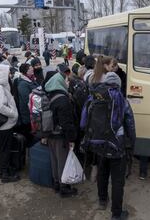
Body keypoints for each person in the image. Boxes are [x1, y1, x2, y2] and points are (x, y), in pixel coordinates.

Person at [81, 72, 136, 220]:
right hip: (117, 145)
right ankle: (116, 214)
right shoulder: (121, 100)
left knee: (102, 173)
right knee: (118, 181)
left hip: (99, 144)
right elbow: (130, 124)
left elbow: (83, 123)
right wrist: (131, 143)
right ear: (118, 84)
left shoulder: (94, 97)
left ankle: (102, 200)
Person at [43, 64, 78, 197]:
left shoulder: (50, 95)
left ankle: (57, 183)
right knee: (62, 161)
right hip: (60, 135)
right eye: (66, 80)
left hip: (50, 133)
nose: (68, 82)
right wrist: (72, 139)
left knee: (55, 160)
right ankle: (64, 188)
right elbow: (67, 123)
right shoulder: (63, 100)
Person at [0, 64, 20, 183]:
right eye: (7, 72)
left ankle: (2, 171)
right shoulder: (0, 88)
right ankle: (5, 174)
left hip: (1, 124)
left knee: (2, 147)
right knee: (5, 148)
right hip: (5, 124)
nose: (9, 74)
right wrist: (13, 113)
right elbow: (0, 106)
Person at [16, 63, 38, 147]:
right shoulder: (23, 84)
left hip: (33, 111)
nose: (32, 69)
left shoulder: (31, 79)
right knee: (30, 135)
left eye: (32, 67)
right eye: (29, 68)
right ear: (25, 72)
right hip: (28, 113)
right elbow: (26, 100)